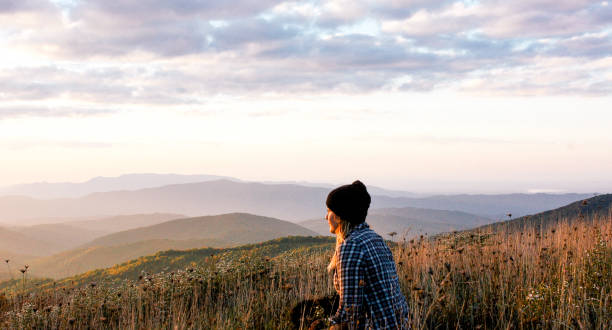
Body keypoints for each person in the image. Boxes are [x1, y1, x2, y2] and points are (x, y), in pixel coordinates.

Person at [326, 180, 409, 329]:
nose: (326, 217)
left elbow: (350, 311)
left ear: (339, 215)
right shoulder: (375, 238)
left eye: (328, 211)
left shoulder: (350, 246)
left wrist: (328, 324)